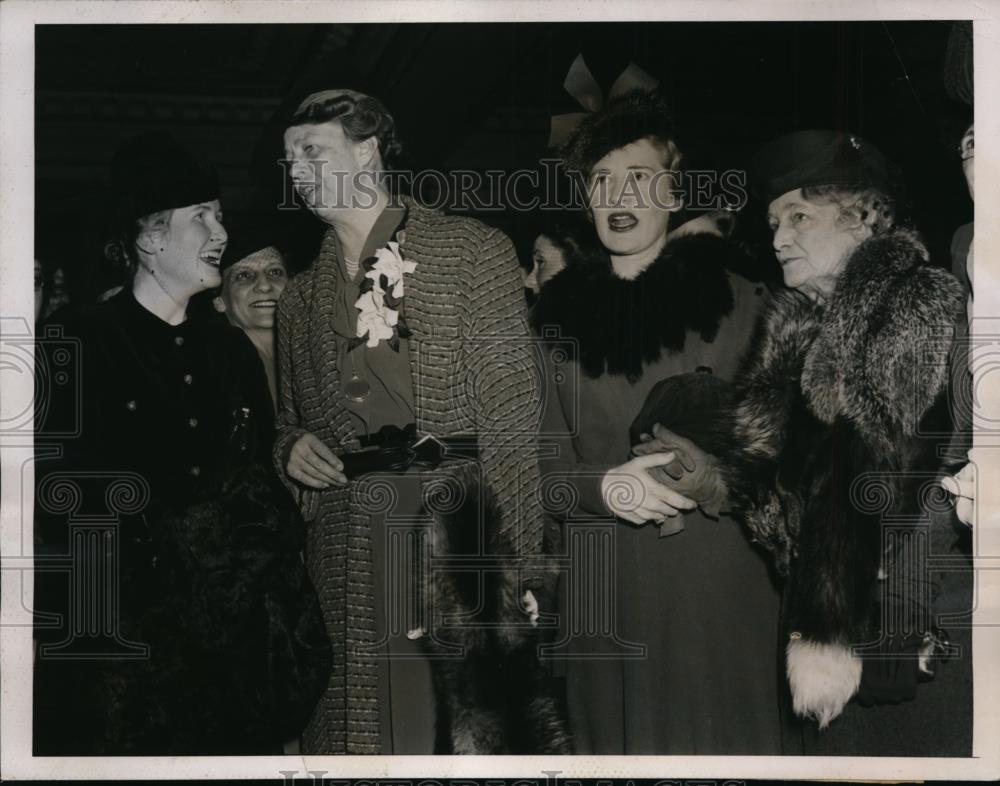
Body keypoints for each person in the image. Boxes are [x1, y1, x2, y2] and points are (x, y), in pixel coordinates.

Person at [640, 129, 967, 754]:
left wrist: (902, 606)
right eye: (772, 221)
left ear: (867, 218)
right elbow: (784, 496)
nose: (778, 237)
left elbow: (951, 474)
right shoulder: (798, 335)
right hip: (822, 633)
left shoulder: (927, 310)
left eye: (800, 217)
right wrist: (709, 476)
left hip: (919, 635)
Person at [274, 88, 563, 754]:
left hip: (457, 529)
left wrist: (518, 567)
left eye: (311, 150)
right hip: (348, 543)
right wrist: (289, 448)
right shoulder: (295, 300)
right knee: (357, 733)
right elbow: (286, 424)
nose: (295, 170)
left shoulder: (472, 252)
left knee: (459, 729)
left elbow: (513, 422)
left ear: (368, 150)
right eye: (287, 159)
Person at [33, 132, 330, 754]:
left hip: (230, 658)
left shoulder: (230, 351)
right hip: (125, 655)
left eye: (219, 216)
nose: (219, 233)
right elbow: (56, 499)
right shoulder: (78, 340)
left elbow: (260, 488)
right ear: (149, 236)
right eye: (201, 218)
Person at [531, 89, 783, 754]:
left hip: (709, 594)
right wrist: (603, 488)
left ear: (675, 194)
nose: (621, 197)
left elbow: (778, 464)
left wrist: (703, 476)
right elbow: (537, 476)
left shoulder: (740, 304)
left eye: (641, 178)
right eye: (603, 181)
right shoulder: (552, 321)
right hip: (602, 603)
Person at [213, 244, 289, 410]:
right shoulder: (217, 373)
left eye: (275, 272)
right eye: (243, 275)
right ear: (219, 301)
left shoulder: (314, 358)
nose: (264, 286)